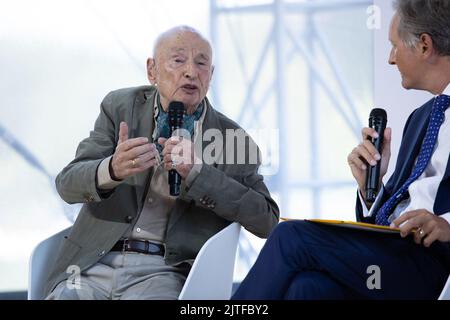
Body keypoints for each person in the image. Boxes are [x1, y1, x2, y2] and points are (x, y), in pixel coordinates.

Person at [232, 0, 450, 300]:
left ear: (424, 46)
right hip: (392, 258)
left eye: (395, 46)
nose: (390, 59)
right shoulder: (421, 118)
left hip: (434, 264)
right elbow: (399, 211)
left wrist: (447, 224)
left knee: (291, 237)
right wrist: (370, 189)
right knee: (305, 289)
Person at [45, 26, 279, 300]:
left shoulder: (233, 139)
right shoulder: (120, 107)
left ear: (211, 76)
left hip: (163, 272)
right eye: (178, 60)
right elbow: (67, 185)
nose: (191, 72)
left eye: (201, 63)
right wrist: (111, 169)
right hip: (91, 266)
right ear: (152, 70)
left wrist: (199, 175)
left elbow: (267, 220)